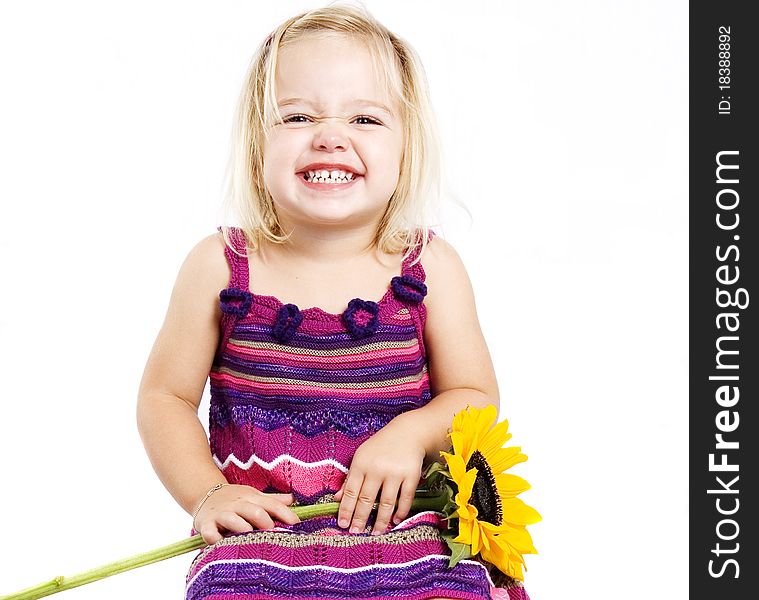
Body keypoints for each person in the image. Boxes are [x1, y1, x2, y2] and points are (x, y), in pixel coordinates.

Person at [136, 4, 528, 599]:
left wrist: (412, 434)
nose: (330, 135)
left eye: (366, 119)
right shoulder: (220, 267)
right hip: (266, 540)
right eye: (296, 115)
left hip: (411, 539)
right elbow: (164, 397)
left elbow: (475, 397)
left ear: (407, 146)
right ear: (255, 143)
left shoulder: (429, 268)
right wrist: (208, 494)